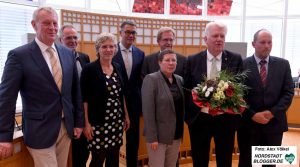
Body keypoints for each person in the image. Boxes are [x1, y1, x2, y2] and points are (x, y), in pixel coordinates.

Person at [0, 7, 84, 167]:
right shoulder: (19, 56)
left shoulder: (67, 54)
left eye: (54, 23)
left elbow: (75, 92)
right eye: (46, 23)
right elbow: (6, 98)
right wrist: (4, 136)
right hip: (39, 130)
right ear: (34, 25)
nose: (52, 27)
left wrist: (78, 122)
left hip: (66, 128)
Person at [184, 22, 243, 167]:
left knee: (224, 160)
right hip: (200, 119)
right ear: (205, 39)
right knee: (199, 159)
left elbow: (240, 88)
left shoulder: (235, 59)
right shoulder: (192, 60)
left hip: (226, 120)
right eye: (215, 35)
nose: (219, 39)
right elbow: (186, 89)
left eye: (222, 36)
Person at [237, 29, 294, 167]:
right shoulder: (241, 65)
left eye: (269, 42)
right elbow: (237, 94)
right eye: (262, 42)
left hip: (274, 126)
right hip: (248, 125)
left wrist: (272, 112)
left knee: (269, 164)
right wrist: (252, 114)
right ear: (253, 44)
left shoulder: (283, 64)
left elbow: (288, 92)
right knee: (247, 162)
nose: (267, 46)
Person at [81, 32, 130, 167]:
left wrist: (126, 115)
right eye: (104, 47)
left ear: (115, 49)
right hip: (98, 123)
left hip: (116, 121)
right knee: (97, 158)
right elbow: (84, 99)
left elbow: (122, 94)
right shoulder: (89, 69)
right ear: (98, 49)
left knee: (113, 158)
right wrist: (86, 123)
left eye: (111, 46)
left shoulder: (118, 67)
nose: (108, 49)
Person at [142, 49, 184, 167]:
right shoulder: (151, 79)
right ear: (159, 62)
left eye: (173, 60)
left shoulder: (180, 80)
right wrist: (152, 137)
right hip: (158, 137)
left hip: (175, 134)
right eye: (167, 60)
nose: (171, 63)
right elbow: (148, 110)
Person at [112, 20, 145, 167]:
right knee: (114, 142)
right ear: (120, 33)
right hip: (113, 103)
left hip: (134, 104)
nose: (131, 35)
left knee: (133, 141)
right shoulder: (110, 50)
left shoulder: (140, 53)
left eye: (133, 32)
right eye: (127, 32)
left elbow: (140, 81)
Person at [58, 24, 90, 167]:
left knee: (84, 150)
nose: (73, 41)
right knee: (70, 153)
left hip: (84, 111)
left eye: (75, 37)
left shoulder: (84, 57)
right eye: (68, 38)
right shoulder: (57, 60)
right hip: (67, 113)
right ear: (60, 40)